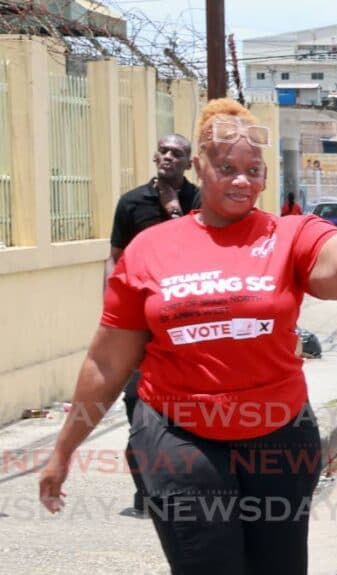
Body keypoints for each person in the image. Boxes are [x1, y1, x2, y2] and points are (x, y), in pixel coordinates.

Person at [39, 98, 337, 574]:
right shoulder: (150, 248)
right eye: (227, 168)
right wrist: (64, 449)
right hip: (179, 435)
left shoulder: (288, 234)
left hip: (279, 435)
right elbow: (107, 362)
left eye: (254, 170)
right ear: (199, 168)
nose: (243, 181)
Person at [105, 133, 199, 514]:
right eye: (163, 151)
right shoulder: (131, 202)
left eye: (177, 153)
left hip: (190, 323)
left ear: (189, 163)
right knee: (136, 403)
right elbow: (114, 257)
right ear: (154, 155)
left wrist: (175, 211)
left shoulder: (201, 202)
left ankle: (184, 486)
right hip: (141, 321)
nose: (168, 158)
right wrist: (111, 305)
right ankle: (146, 492)